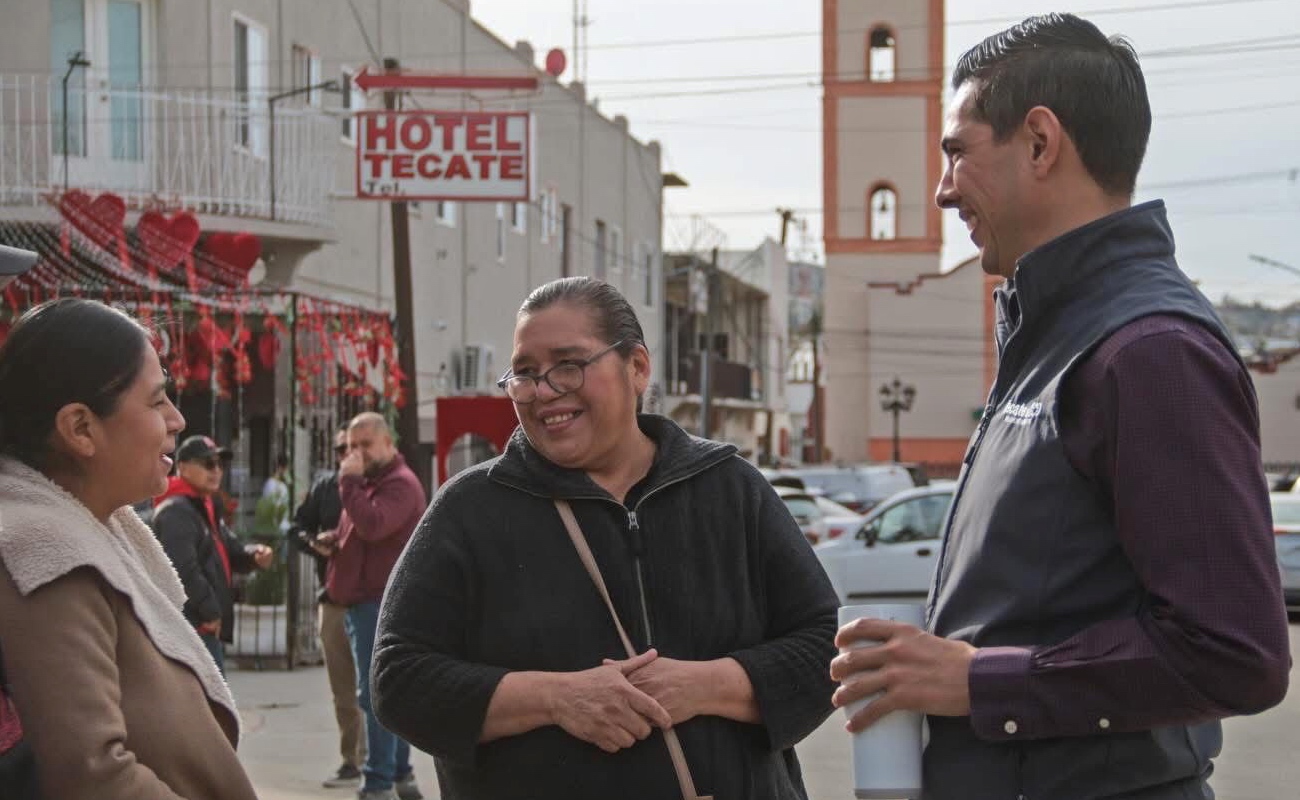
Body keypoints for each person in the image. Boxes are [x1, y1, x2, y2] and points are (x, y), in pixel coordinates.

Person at [830, 14, 1291, 800]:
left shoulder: (1150, 351)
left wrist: (982, 683)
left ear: (1040, 143)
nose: (942, 190)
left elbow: (1235, 654)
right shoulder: (1057, 334)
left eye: (956, 152)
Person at [372, 277, 838, 799]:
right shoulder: (470, 510)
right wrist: (555, 698)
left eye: (568, 365)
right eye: (525, 374)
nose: (545, 390)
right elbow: (399, 680)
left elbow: (824, 646)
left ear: (636, 368)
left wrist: (703, 686)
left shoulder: (730, 490)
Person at [0, 298, 259, 799]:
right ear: (80, 428)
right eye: (157, 400)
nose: (177, 420)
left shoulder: (93, 526)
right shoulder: (45, 554)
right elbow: (93, 775)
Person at [323, 411, 426, 800]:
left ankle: (378, 781)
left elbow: (373, 525)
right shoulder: (371, 483)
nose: (355, 453)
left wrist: (347, 481)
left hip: (379, 603)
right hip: (363, 601)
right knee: (384, 692)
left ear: (388, 444)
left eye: (365, 445)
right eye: (350, 446)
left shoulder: (398, 484)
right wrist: (333, 539)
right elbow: (358, 530)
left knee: (375, 694)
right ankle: (400, 774)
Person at [153, 434, 274, 674]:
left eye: (220, 464)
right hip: (193, 627)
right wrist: (210, 611)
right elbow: (183, 570)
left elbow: (228, 548)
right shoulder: (177, 510)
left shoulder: (203, 506)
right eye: (208, 463)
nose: (216, 470)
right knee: (209, 708)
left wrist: (253, 556)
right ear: (183, 467)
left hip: (204, 627)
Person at [288, 427, 366, 788]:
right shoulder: (325, 487)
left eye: (357, 447)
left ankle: (384, 763)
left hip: (372, 599)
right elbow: (296, 527)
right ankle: (353, 759)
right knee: (344, 690)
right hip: (334, 599)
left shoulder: (384, 487)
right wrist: (313, 543)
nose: (349, 454)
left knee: (375, 686)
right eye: (343, 448)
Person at [253, 453, 292, 539]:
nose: (287, 471)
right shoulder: (272, 484)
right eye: (286, 468)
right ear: (281, 468)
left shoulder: (281, 485)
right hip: (276, 531)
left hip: (282, 528)